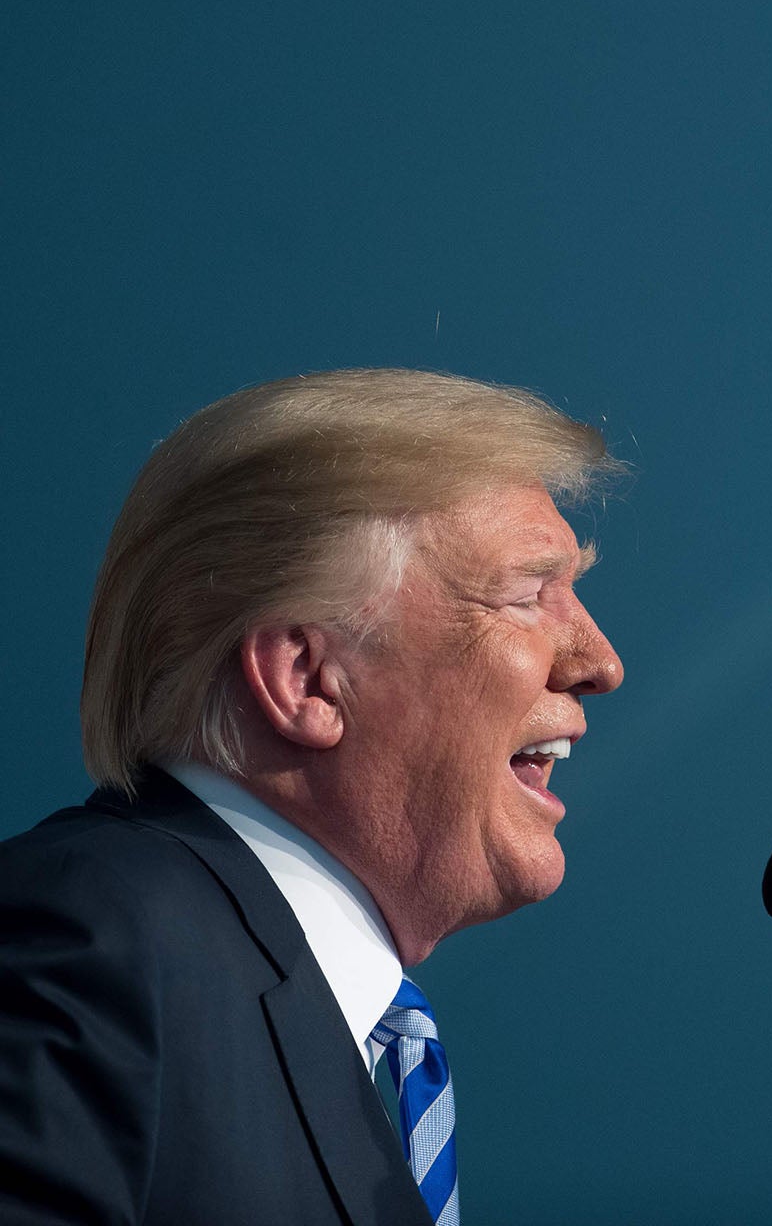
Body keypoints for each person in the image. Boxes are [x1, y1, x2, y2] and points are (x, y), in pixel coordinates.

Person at [0, 369, 626, 1226]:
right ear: (308, 680)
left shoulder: (339, 1038)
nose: (600, 662)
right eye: (527, 595)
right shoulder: (89, 935)